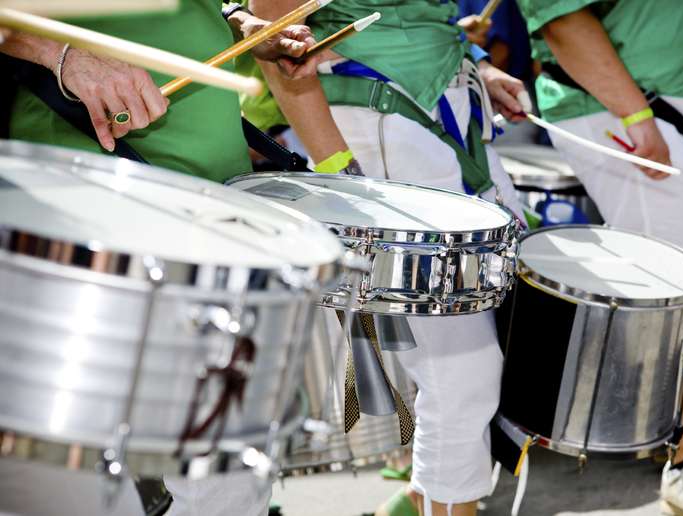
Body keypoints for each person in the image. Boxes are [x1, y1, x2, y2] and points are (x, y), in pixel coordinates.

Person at [0, 2, 319, 515]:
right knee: (75, 482)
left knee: (228, 481)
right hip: (87, 206)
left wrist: (239, 24)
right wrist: (62, 55)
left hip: (216, 208)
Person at [252, 1, 532, 515]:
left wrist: (479, 67)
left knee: (482, 344)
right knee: (462, 367)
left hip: (443, 116)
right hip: (376, 123)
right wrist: (341, 169)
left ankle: (424, 495)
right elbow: (273, 36)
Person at [514, 1, 683, 514]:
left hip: (668, 106)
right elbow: (563, 17)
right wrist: (635, 112)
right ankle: (682, 453)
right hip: (628, 108)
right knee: (676, 281)